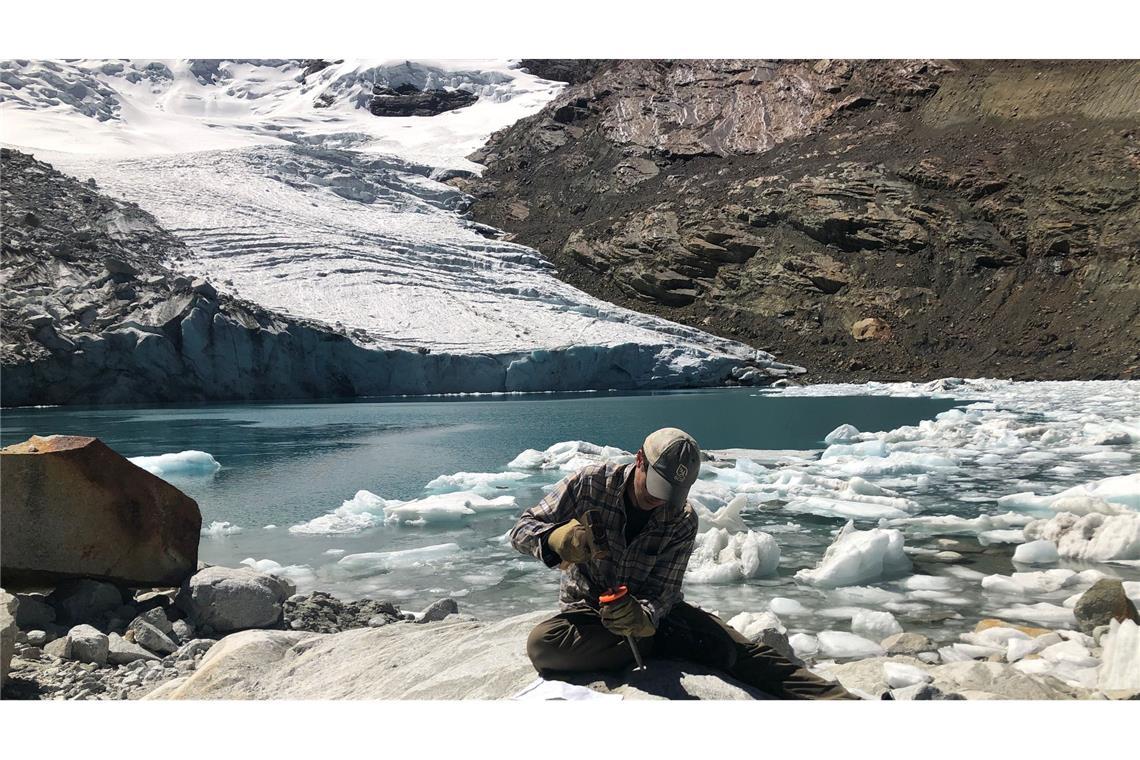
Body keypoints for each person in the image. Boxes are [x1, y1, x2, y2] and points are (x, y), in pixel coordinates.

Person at [508, 427, 855, 700]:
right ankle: (647, 645)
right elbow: (522, 528)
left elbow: (663, 592)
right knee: (543, 646)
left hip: (657, 618)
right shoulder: (589, 484)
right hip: (588, 614)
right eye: (657, 488)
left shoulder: (681, 518)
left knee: (739, 654)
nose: (661, 501)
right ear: (640, 460)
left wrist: (643, 619)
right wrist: (555, 540)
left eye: (671, 493)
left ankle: (842, 703)